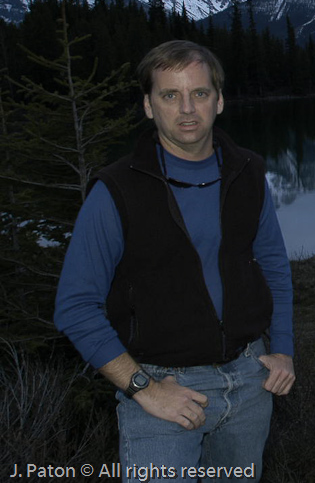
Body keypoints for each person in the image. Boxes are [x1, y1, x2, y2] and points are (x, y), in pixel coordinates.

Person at [54, 40, 295, 482]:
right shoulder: (116, 191)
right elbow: (75, 306)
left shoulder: (248, 174)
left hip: (249, 381)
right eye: (170, 95)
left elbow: (274, 267)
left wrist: (282, 349)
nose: (187, 109)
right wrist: (143, 388)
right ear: (148, 106)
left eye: (199, 93)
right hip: (163, 390)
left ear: (219, 101)